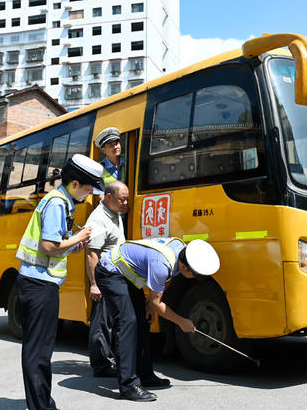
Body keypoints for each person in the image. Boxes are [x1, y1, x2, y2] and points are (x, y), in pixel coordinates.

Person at [15, 154, 104, 410]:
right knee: (39, 352)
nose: (89, 195)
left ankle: (43, 403)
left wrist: (74, 244)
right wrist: (80, 237)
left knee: (40, 349)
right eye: (88, 188)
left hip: (41, 284)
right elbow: (48, 246)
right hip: (39, 285)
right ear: (75, 184)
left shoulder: (61, 202)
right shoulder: (56, 203)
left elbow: (55, 247)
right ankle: (41, 406)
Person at [95, 238, 220, 402]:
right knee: (127, 322)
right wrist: (182, 321)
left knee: (142, 321)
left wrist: (150, 305)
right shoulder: (163, 264)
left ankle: (144, 375)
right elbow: (157, 301)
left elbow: (159, 290)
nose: (193, 278)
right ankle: (128, 385)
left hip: (128, 274)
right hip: (109, 272)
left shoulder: (181, 251)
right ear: (184, 267)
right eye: (194, 275)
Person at [84, 181, 129, 378]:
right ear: (108, 197)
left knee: (110, 321)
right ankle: (101, 366)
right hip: (102, 278)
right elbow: (91, 254)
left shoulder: (115, 213)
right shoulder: (98, 219)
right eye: (122, 199)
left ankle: (108, 360)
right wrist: (94, 284)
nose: (126, 203)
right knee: (101, 323)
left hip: (114, 277)